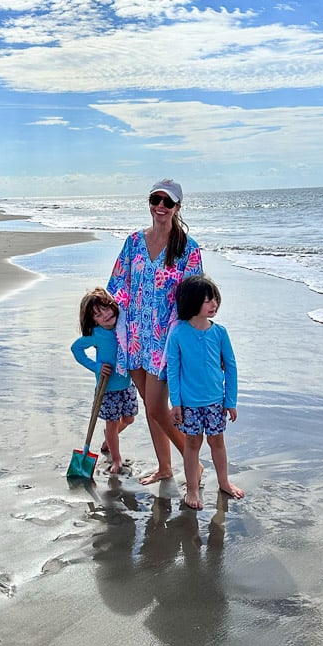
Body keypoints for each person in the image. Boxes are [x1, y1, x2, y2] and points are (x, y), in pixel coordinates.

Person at [107, 179, 202, 484]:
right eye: (155, 199)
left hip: (165, 342)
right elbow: (118, 283)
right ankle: (165, 467)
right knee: (151, 407)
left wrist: (191, 338)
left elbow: (194, 297)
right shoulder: (134, 242)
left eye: (167, 202)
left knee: (160, 408)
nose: (160, 206)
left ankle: (193, 465)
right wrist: (105, 318)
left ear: (177, 208)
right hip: (133, 336)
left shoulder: (188, 249)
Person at [166, 275, 244, 510]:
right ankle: (192, 488)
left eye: (215, 299)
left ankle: (224, 482)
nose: (214, 305)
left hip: (215, 402)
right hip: (189, 403)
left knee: (217, 442)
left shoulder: (220, 333)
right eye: (207, 300)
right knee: (192, 444)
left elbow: (230, 366)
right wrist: (176, 402)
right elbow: (173, 369)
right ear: (191, 303)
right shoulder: (178, 333)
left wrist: (230, 400)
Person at [71, 287, 138, 474]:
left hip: (126, 384)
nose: (106, 315)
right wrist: (96, 366)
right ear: (93, 320)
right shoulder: (96, 334)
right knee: (112, 422)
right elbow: (76, 349)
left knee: (129, 419)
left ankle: (110, 437)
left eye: (107, 308)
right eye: (99, 315)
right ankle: (116, 459)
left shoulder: (123, 327)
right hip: (107, 388)